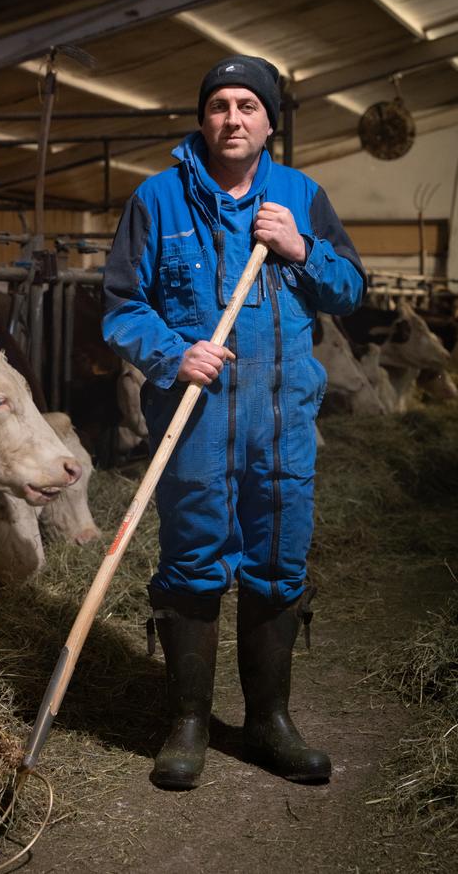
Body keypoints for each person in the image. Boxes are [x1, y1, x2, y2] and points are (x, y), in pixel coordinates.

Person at [102, 55, 366, 791]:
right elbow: (123, 305)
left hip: (282, 421)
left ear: (270, 121)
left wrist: (299, 249)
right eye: (220, 104)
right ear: (203, 117)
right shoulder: (157, 201)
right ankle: (187, 723)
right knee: (191, 563)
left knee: (278, 562)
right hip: (195, 422)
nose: (233, 118)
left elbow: (349, 289)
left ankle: (268, 722)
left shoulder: (301, 196)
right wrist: (169, 353)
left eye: (248, 105)